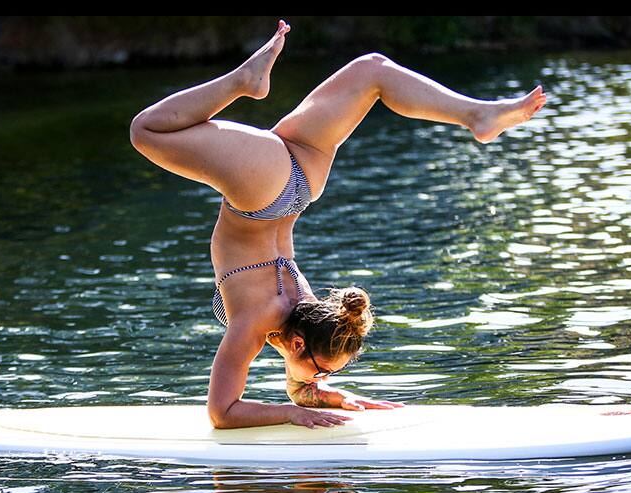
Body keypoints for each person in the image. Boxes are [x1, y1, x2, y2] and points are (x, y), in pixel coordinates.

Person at [129, 20, 547, 430]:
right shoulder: (267, 322)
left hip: (300, 182)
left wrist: (312, 397)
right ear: (299, 342)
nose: (320, 379)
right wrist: (299, 405)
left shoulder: (295, 315)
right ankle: (243, 81)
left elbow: (239, 405)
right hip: (264, 190)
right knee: (146, 130)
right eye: (325, 373)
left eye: (325, 375)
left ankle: (478, 114)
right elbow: (224, 413)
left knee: (373, 71)